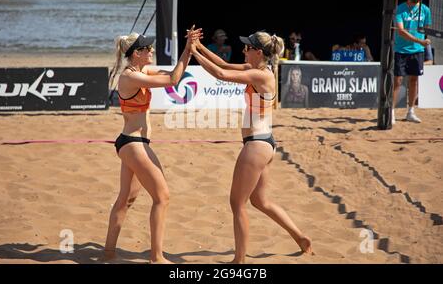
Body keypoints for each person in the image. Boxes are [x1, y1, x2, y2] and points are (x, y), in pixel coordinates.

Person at [190, 30, 313, 264]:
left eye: (247, 48)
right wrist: (199, 46)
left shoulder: (261, 76)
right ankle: (300, 237)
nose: (244, 50)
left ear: (258, 52)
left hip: (256, 145)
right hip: (264, 143)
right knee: (261, 201)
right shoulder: (258, 70)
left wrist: (193, 52)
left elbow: (220, 74)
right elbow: (223, 63)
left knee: (237, 204)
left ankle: (239, 261)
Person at [103, 26, 201, 263]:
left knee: (126, 199)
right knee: (162, 197)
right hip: (133, 143)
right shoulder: (130, 76)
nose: (151, 51)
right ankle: (157, 257)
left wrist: (190, 51)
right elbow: (174, 79)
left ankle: (108, 254)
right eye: (147, 48)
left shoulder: (142, 69)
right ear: (136, 53)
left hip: (133, 142)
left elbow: (171, 72)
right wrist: (188, 49)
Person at [392, 0, 432, 124]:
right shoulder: (400, 9)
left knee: (414, 80)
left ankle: (410, 111)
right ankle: (391, 112)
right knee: (398, 81)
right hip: (401, 50)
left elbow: (425, 29)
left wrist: (424, 40)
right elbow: (401, 31)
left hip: (417, 50)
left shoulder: (425, 9)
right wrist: (420, 41)